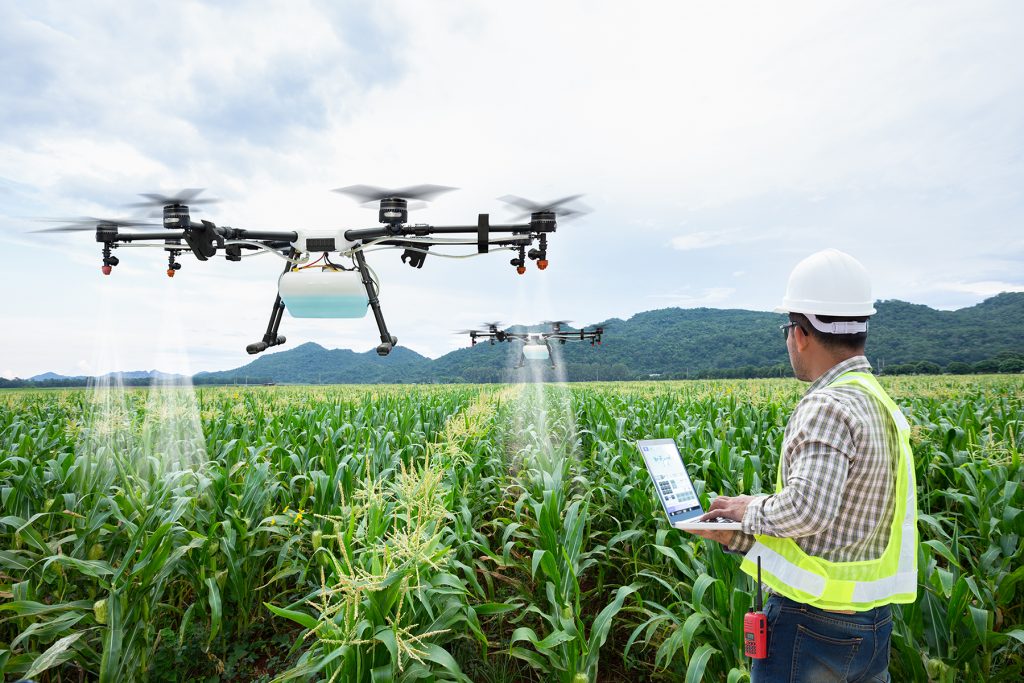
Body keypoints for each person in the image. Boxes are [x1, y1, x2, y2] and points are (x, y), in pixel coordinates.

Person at [690, 248, 917, 682]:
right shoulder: (878, 403)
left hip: (813, 631)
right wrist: (738, 530)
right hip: (871, 626)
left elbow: (809, 510)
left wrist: (745, 512)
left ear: (801, 333)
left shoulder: (828, 405)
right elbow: (838, 531)